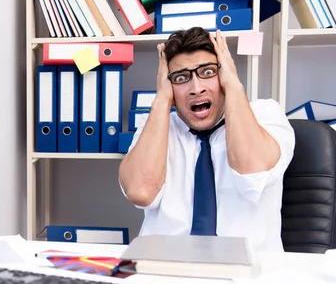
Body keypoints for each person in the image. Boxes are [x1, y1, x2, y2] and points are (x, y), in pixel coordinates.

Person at [118, 27, 295, 252]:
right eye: (181, 78)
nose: (196, 88)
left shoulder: (265, 115)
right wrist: (162, 99)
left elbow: (252, 170)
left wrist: (233, 85)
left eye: (208, 72)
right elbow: (141, 192)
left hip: (247, 277)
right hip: (165, 271)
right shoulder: (156, 126)